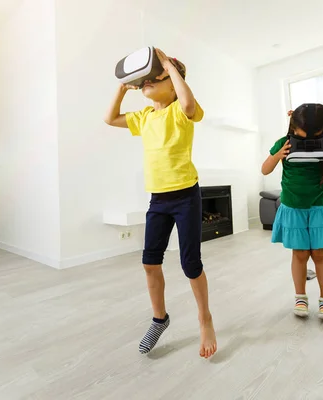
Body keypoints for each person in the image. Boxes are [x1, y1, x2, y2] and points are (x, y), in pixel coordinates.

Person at [104, 48, 217, 358]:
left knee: (190, 265)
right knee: (150, 263)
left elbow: (189, 102)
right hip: (158, 200)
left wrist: (168, 64)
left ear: (172, 81)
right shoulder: (143, 117)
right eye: (144, 82)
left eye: (155, 79)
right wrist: (123, 87)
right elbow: (110, 118)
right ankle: (159, 318)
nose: (147, 85)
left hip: (186, 197)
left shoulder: (181, 111)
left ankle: (204, 318)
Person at [261, 104, 323, 321]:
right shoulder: (285, 143)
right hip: (293, 208)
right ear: (293, 125)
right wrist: (277, 155)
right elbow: (265, 169)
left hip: (319, 207)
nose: (308, 137)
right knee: (299, 254)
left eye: (314, 134)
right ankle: (300, 297)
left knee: (320, 254)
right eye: (303, 133)